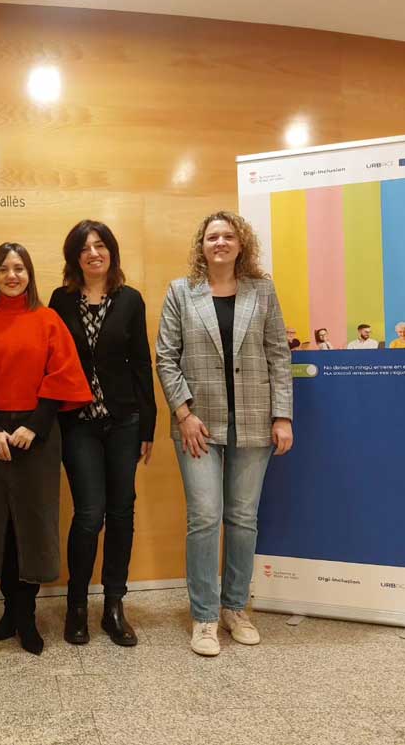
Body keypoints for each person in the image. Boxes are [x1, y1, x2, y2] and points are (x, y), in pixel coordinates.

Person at [156, 211, 293, 657]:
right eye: (212, 236)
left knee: (243, 518)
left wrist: (282, 416)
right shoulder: (181, 291)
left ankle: (235, 608)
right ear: (202, 245)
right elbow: (166, 357)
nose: (220, 242)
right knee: (204, 517)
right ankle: (204, 616)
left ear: (241, 244)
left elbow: (278, 355)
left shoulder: (262, 291)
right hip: (199, 426)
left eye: (228, 236)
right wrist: (183, 413)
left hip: (254, 422)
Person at [0, 242, 91, 655]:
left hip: (37, 435)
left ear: (29, 274)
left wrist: (34, 427)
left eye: (19, 268)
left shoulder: (48, 319)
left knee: (32, 525)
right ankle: (9, 608)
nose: (12, 275)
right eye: (3, 269)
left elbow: (63, 376)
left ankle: (27, 613)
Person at [48, 220, 156, 647]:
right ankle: (77, 605)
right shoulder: (60, 300)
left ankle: (114, 605)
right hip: (77, 424)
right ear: (74, 258)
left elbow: (141, 363)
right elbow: (51, 362)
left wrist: (148, 424)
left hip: (124, 421)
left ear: (111, 251)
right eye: (84, 248)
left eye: (100, 245)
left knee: (122, 511)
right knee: (90, 513)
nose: (93, 253)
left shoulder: (130, 300)